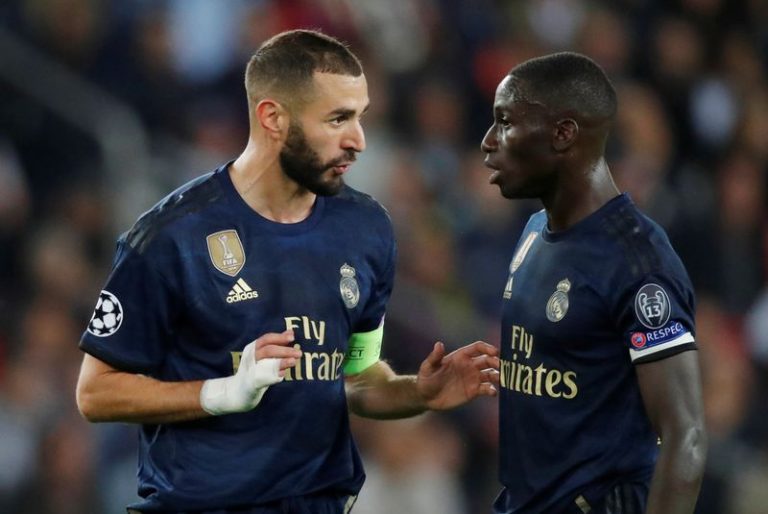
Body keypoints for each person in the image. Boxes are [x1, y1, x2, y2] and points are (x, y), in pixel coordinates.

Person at [76, 29, 500, 514]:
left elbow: (358, 376)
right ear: (273, 117)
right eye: (338, 118)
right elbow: (95, 392)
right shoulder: (172, 236)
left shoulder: (366, 228)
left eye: (359, 116)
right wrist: (224, 393)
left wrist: (416, 392)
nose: (358, 140)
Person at [480, 52, 707, 514]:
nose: (488, 141)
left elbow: (687, 434)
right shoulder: (532, 232)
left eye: (505, 122)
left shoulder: (639, 263)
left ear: (563, 134)